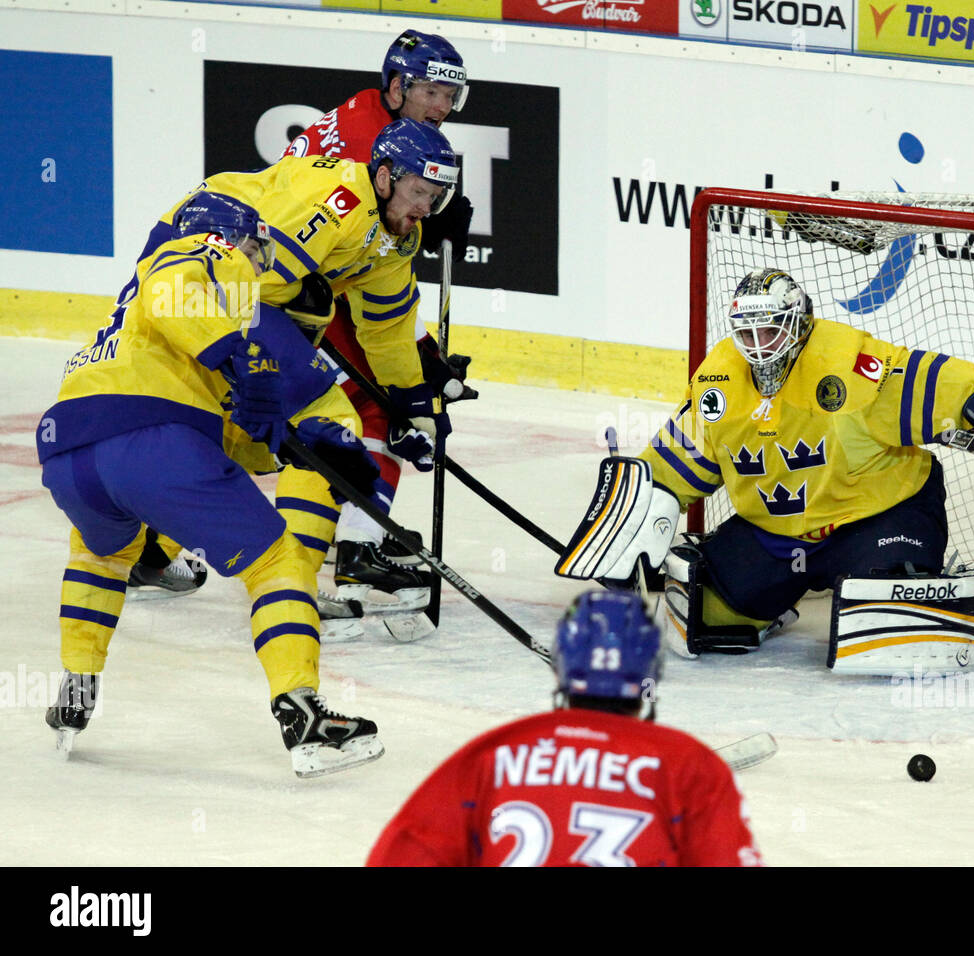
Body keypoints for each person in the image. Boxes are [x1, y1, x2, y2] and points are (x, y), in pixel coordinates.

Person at [37, 192, 387, 777]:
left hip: (68, 454)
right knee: (275, 561)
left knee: (102, 555)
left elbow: (237, 439)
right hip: (151, 439)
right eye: (256, 253)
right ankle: (304, 715)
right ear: (232, 238)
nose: (258, 268)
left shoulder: (140, 336)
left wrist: (318, 452)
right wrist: (240, 354)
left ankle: (77, 683)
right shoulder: (203, 254)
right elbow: (173, 288)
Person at [556, 267, 974, 666]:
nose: (758, 343)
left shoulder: (848, 369)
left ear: (799, 325)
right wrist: (633, 518)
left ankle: (959, 601)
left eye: (770, 328)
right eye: (747, 331)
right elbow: (679, 461)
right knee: (702, 611)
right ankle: (778, 603)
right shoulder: (719, 386)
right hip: (777, 535)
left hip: (875, 518)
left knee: (882, 617)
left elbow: (930, 381)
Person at [282, 29, 478, 618]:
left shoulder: (376, 122)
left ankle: (153, 543)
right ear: (397, 86)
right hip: (289, 284)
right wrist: (416, 369)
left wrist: (419, 354)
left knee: (377, 403)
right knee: (373, 409)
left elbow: (381, 290)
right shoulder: (381, 142)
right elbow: (375, 269)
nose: (443, 108)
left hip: (317, 278)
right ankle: (356, 548)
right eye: (433, 93)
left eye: (452, 96)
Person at [366, 590, 763, 867]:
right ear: (650, 672)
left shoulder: (491, 756)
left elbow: (402, 856)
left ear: (560, 666)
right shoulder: (689, 767)